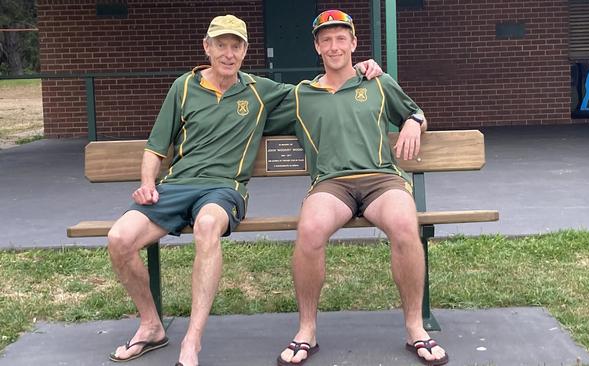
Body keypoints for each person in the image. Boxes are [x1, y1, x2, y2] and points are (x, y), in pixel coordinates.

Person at [106, 14, 382, 366]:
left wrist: (359, 69)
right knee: (119, 240)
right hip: (174, 187)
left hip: (224, 190)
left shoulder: (259, 91)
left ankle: (192, 340)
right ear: (207, 47)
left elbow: (318, 91)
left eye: (236, 46)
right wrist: (147, 185)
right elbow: (156, 148)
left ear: (245, 51)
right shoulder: (184, 87)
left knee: (207, 226)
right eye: (221, 45)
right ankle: (150, 326)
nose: (228, 53)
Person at [270, 10, 449, 366]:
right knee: (309, 229)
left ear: (353, 43)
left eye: (341, 38)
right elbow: (251, 115)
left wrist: (414, 122)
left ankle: (416, 327)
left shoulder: (378, 82)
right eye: (326, 40)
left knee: (403, 224)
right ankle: (307, 330)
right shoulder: (301, 95)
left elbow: (416, 113)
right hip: (331, 184)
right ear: (316, 47)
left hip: (382, 179)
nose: (334, 46)